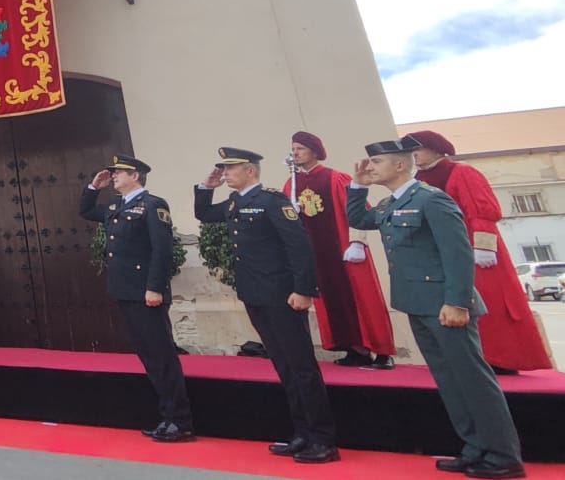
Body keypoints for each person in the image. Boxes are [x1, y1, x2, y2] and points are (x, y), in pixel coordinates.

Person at [349, 137, 526, 480]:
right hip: (416, 304)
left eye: (377, 162)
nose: (371, 167)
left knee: (473, 381)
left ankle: (504, 455)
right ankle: (475, 448)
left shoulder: (431, 200)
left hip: (445, 305)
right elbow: (360, 218)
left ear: (400, 165)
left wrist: (458, 302)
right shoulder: (390, 203)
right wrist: (357, 185)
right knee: (449, 381)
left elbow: (457, 254)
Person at [196, 147, 339, 464]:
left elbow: (299, 246)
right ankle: (302, 433)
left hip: (281, 294)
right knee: (284, 365)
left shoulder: (271, 201)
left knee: (302, 367)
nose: (225, 173)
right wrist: (206, 187)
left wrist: (303, 290)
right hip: (255, 294)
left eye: (230, 169)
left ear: (250, 171)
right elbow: (204, 215)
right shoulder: (236, 202)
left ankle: (322, 439)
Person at [407, 129, 550, 374]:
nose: (414, 156)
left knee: (489, 302)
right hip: (439, 251)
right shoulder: (417, 179)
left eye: (417, 149)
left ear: (434, 148)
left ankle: (501, 358)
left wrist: (483, 246)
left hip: (473, 248)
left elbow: (482, 210)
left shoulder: (461, 172)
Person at [80, 154, 194, 443]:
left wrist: (154, 288)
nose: (114, 176)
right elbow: (86, 211)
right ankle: (167, 416)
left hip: (146, 293)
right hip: (125, 291)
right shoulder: (117, 205)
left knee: (162, 356)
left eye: (119, 172)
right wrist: (93, 187)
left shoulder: (153, 206)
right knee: (148, 356)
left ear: (136, 176)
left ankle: (179, 420)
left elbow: (162, 250)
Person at [283, 131, 396, 369]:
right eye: (293, 148)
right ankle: (353, 348)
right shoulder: (291, 184)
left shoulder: (335, 178)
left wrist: (357, 242)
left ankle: (382, 351)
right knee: (331, 300)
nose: (295, 153)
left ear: (314, 151)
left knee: (363, 298)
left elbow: (357, 211)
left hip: (344, 250)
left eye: (300, 148)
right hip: (316, 254)